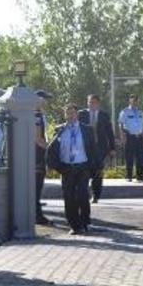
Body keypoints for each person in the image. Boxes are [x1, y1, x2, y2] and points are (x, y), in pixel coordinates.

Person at [47, 103, 98, 235]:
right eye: (67, 113)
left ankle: (85, 222)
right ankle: (74, 226)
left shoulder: (87, 129)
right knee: (69, 197)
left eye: (72, 113)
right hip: (66, 167)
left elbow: (93, 149)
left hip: (82, 166)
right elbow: (52, 148)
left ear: (77, 114)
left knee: (82, 195)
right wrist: (55, 165)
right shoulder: (60, 130)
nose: (70, 116)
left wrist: (94, 167)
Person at [79, 94, 115, 204]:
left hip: (100, 148)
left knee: (98, 171)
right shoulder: (81, 114)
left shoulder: (104, 115)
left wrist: (112, 148)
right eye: (89, 102)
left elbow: (109, 132)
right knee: (85, 171)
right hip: (85, 148)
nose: (91, 104)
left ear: (98, 103)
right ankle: (84, 193)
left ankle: (96, 195)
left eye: (93, 102)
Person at [118, 94, 143, 182]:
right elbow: (121, 123)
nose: (135, 102)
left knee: (140, 157)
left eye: (136, 100)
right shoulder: (125, 112)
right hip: (129, 136)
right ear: (130, 101)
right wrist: (122, 135)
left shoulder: (141, 112)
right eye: (133, 100)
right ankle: (129, 176)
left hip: (139, 137)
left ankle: (140, 176)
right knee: (129, 157)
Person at [35, 90, 52, 225]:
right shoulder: (36, 115)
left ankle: (37, 213)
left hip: (36, 154)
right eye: (45, 99)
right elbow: (38, 139)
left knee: (37, 186)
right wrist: (51, 148)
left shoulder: (39, 114)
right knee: (36, 186)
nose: (46, 101)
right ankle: (37, 215)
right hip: (37, 155)